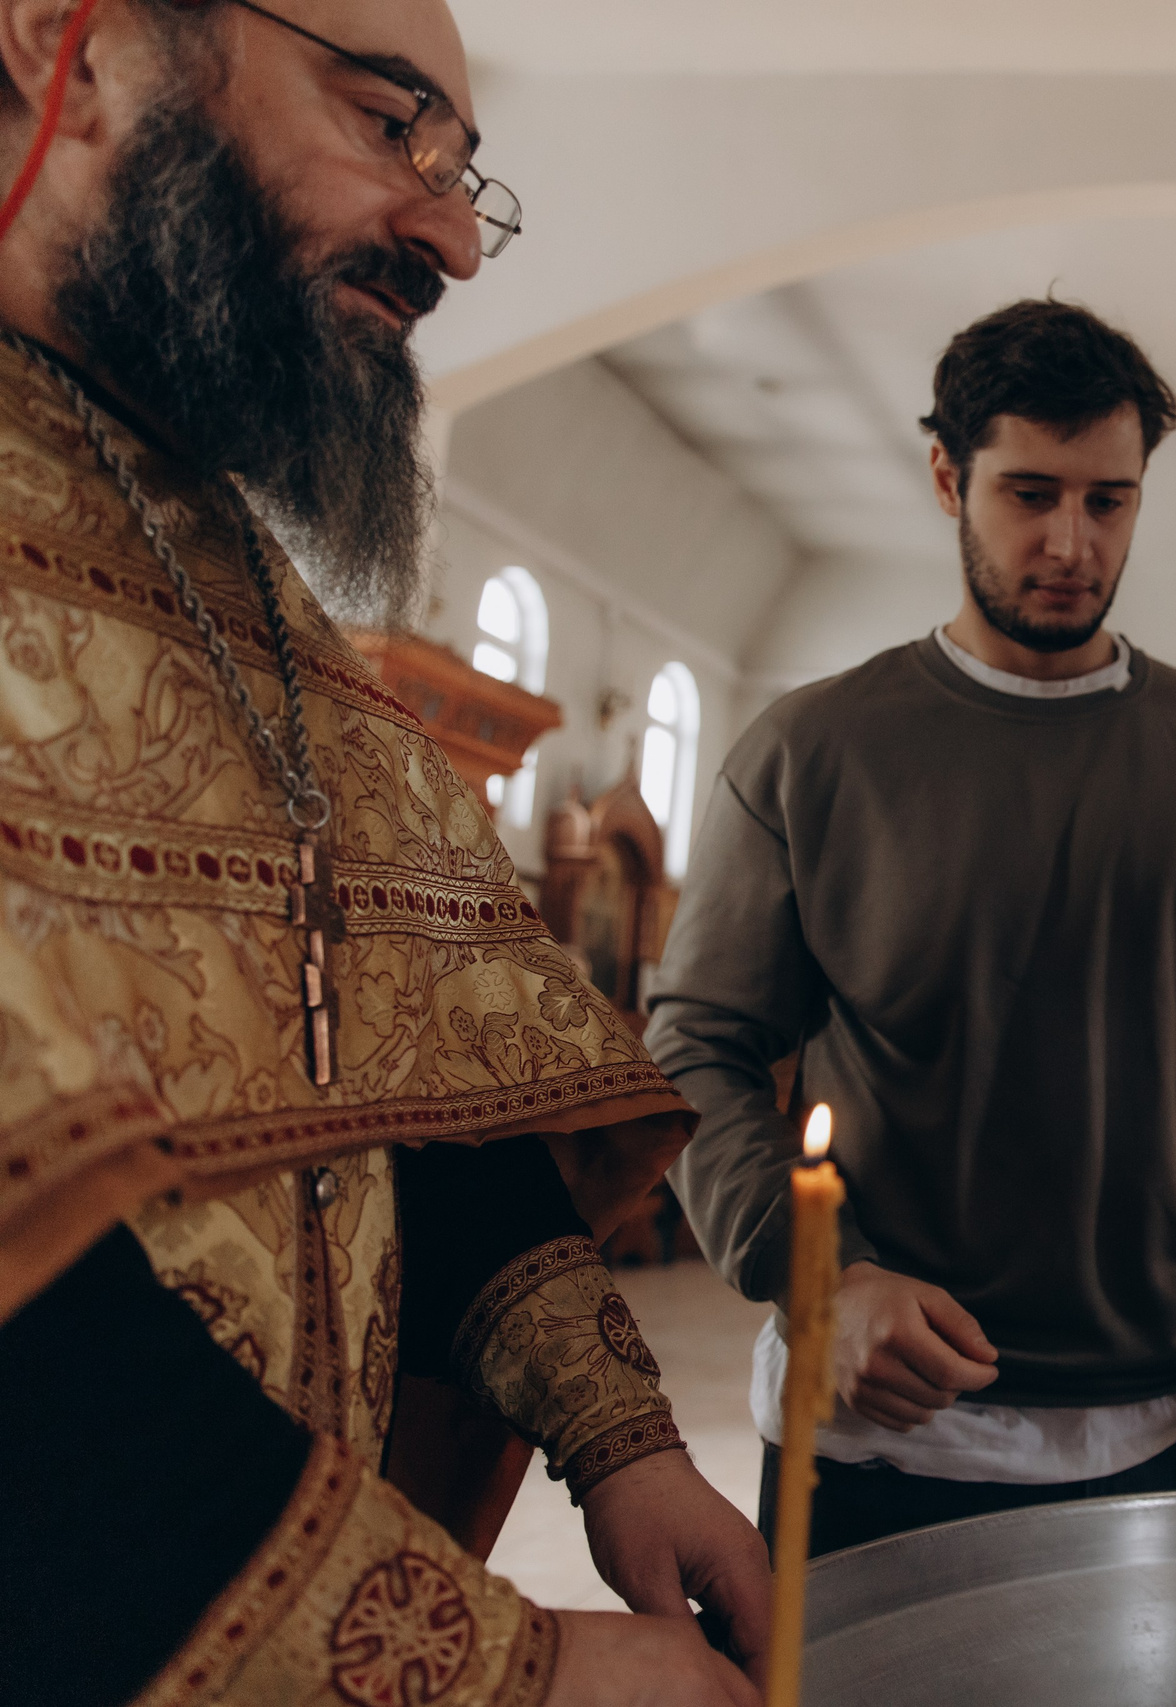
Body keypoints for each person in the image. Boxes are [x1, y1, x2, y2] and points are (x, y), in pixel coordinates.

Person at [0, 3, 772, 1705]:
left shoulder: (235, 568)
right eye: (385, 120)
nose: (446, 236)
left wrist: (621, 1440)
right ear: (77, 46)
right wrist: (509, 1667)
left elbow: (407, 1076)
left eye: (461, 173)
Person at [648, 298, 1176, 1555]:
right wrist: (824, 1276)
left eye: (1109, 499)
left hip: (1164, 1410)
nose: (1071, 542)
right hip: (875, 1417)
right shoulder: (813, 751)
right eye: (1028, 494)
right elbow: (693, 1046)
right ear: (947, 476)